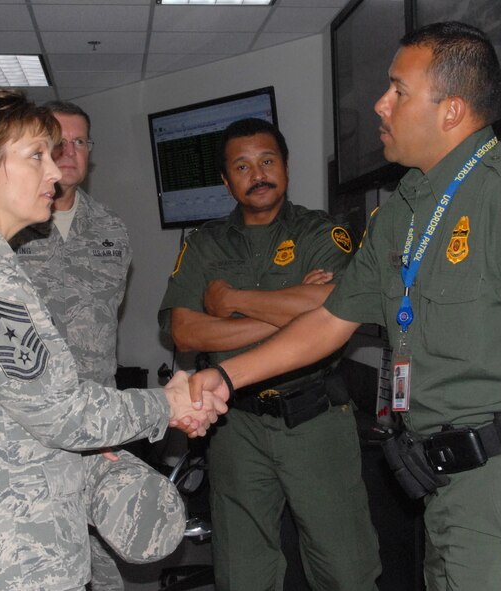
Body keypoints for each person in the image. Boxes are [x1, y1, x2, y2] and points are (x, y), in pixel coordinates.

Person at [190, 22, 501, 591]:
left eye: (397, 90)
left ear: (450, 110)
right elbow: (328, 321)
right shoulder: (406, 208)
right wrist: (225, 377)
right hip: (444, 485)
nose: (380, 104)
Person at [0, 87, 227, 591]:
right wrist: (167, 403)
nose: (54, 171)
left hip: (0, 525)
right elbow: (64, 413)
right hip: (7, 546)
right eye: (35, 156)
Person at [159, 117, 380, 590]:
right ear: (225, 180)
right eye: (242, 166)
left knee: (346, 570)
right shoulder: (204, 243)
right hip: (235, 427)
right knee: (242, 573)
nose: (257, 174)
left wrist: (231, 302)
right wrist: (294, 310)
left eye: (267, 161)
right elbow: (183, 331)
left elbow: (340, 307)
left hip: (315, 419)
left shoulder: (322, 233)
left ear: (285, 166)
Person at [12, 100, 181, 591]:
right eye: (55, 142)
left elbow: (106, 321)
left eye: (79, 142)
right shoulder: (6, 230)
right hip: (32, 429)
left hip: (101, 425)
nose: (68, 152)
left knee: (108, 566)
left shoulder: (111, 230)